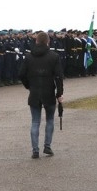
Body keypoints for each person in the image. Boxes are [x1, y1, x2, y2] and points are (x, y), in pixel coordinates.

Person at [19, 31, 65, 159]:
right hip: (48, 91)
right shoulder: (54, 56)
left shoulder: (29, 56)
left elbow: (21, 74)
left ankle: (35, 150)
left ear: (36, 41)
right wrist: (59, 93)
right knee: (50, 120)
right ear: (48, 42)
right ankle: (47, 146)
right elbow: (59, 77)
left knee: (35, 121)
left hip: (34, 91)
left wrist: (28, 85)